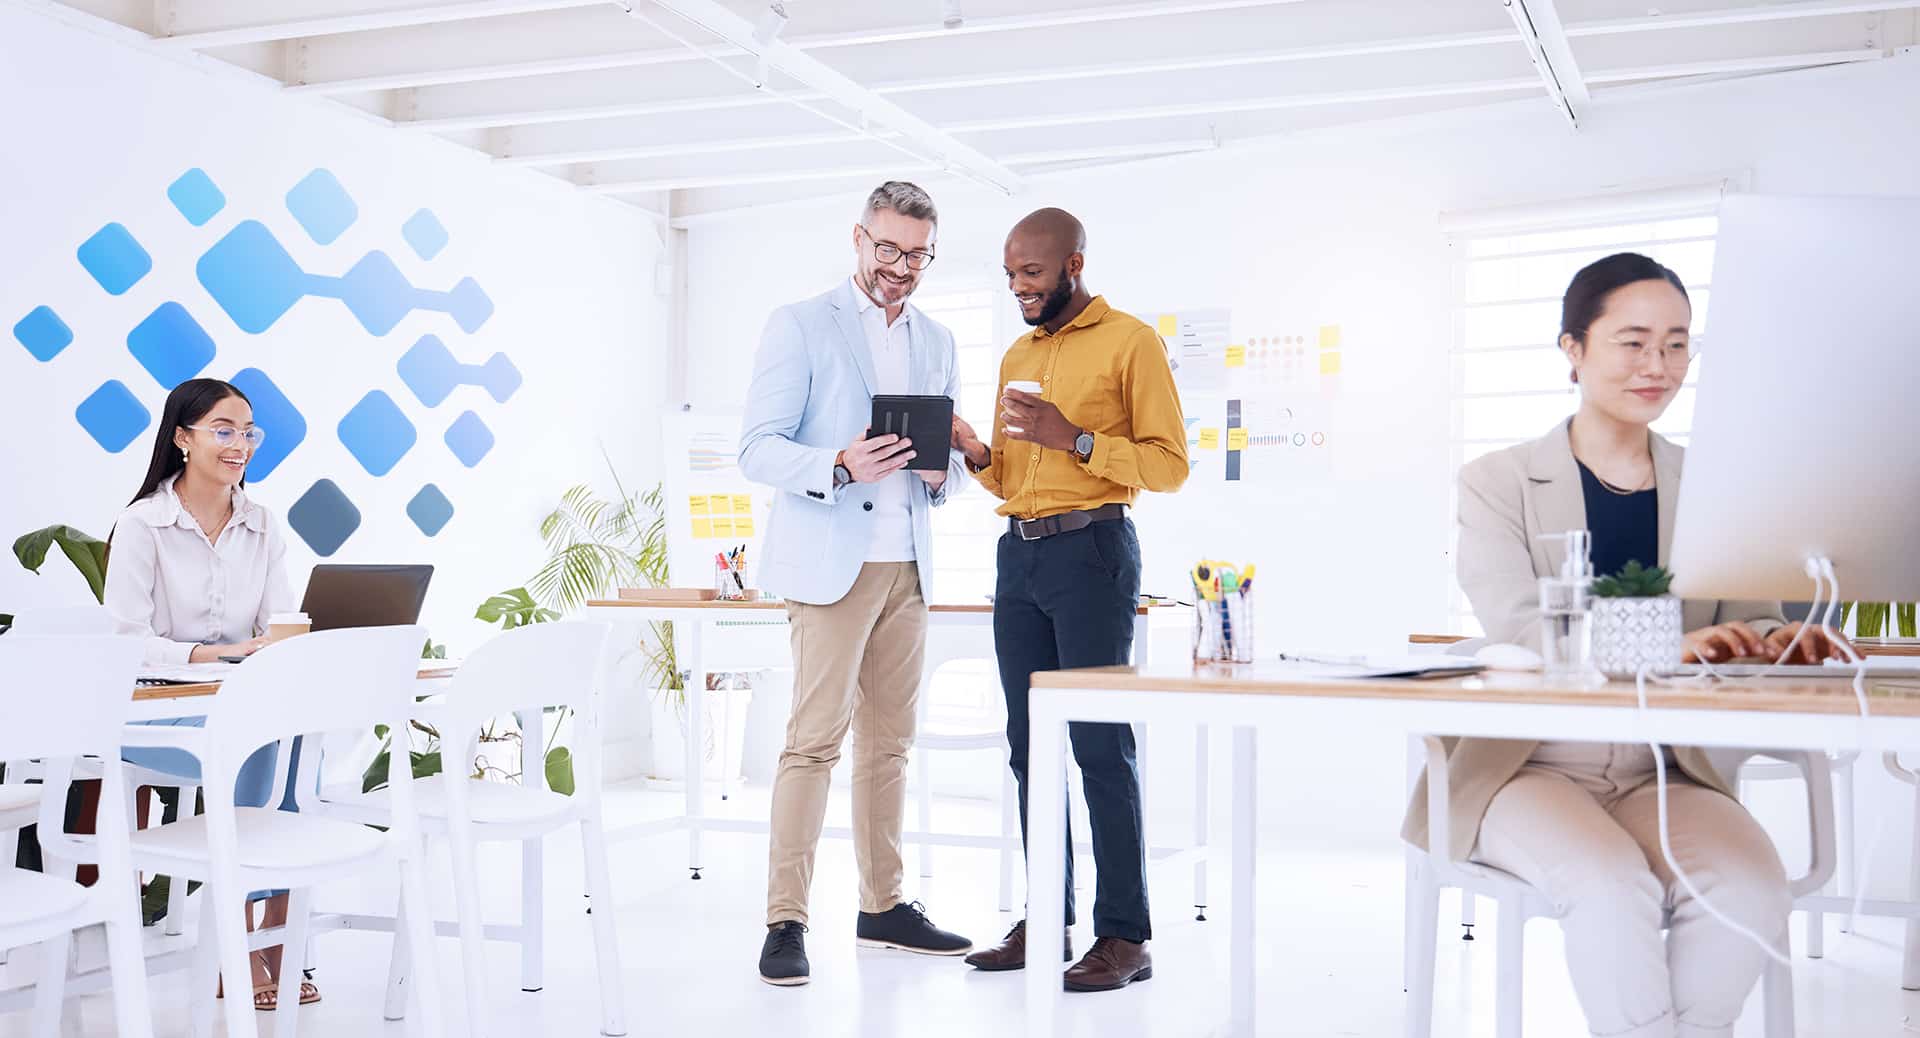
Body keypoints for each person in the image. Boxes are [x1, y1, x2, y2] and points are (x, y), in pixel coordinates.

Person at [1402, 252, 1849, 1038]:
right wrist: (1672, 646)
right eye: (1634, 341)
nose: (1659, 365)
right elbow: (1517, 625)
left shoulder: (1711, 484)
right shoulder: (1497, 481)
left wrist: (1782, 634)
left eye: (1677, 344)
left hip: (1666, 769)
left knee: (1749, 886)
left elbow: (1747, 613)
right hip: (1530, 766)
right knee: (1610, 887)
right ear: (1573, 348)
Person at [738, 181, 973, 986]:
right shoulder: (802, 324)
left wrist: (947, 474)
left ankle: (884, 907)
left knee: (890, 747)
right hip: (829, 565)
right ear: (858, 239)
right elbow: (757, 447)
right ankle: (786, 921)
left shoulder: (938, 340)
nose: (901, 268)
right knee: (812, 745)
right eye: (888, 250)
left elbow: (944, 472)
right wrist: (835, 462)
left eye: (917, 255)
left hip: (907, 562)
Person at [951, 208, 1189, 991]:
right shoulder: (1018, 351)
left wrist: (1077, 438)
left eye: (1033, 274)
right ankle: (1046, 917)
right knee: (1028, 749)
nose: (1019, 288)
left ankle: (1126, 936)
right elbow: (1015, 479)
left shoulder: (1132, 342)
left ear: (1074, 265)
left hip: (1092, 553)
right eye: (1011, 274)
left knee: (1097, 746)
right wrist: (978, 453)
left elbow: (1168, 466)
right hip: (1017, 560)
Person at [104, 377, 318, 1010]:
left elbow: (280, 621)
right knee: (260, 748)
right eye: (223, 430)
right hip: (155, 714)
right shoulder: (143, 524)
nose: (239, 444)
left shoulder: (262, 524)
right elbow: (124, 641)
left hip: (237, 706)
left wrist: (278, 646)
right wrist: (211, 654)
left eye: (247, 431)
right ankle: (241, 946)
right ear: (182, 438)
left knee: (296, 745)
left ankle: (276, 944)